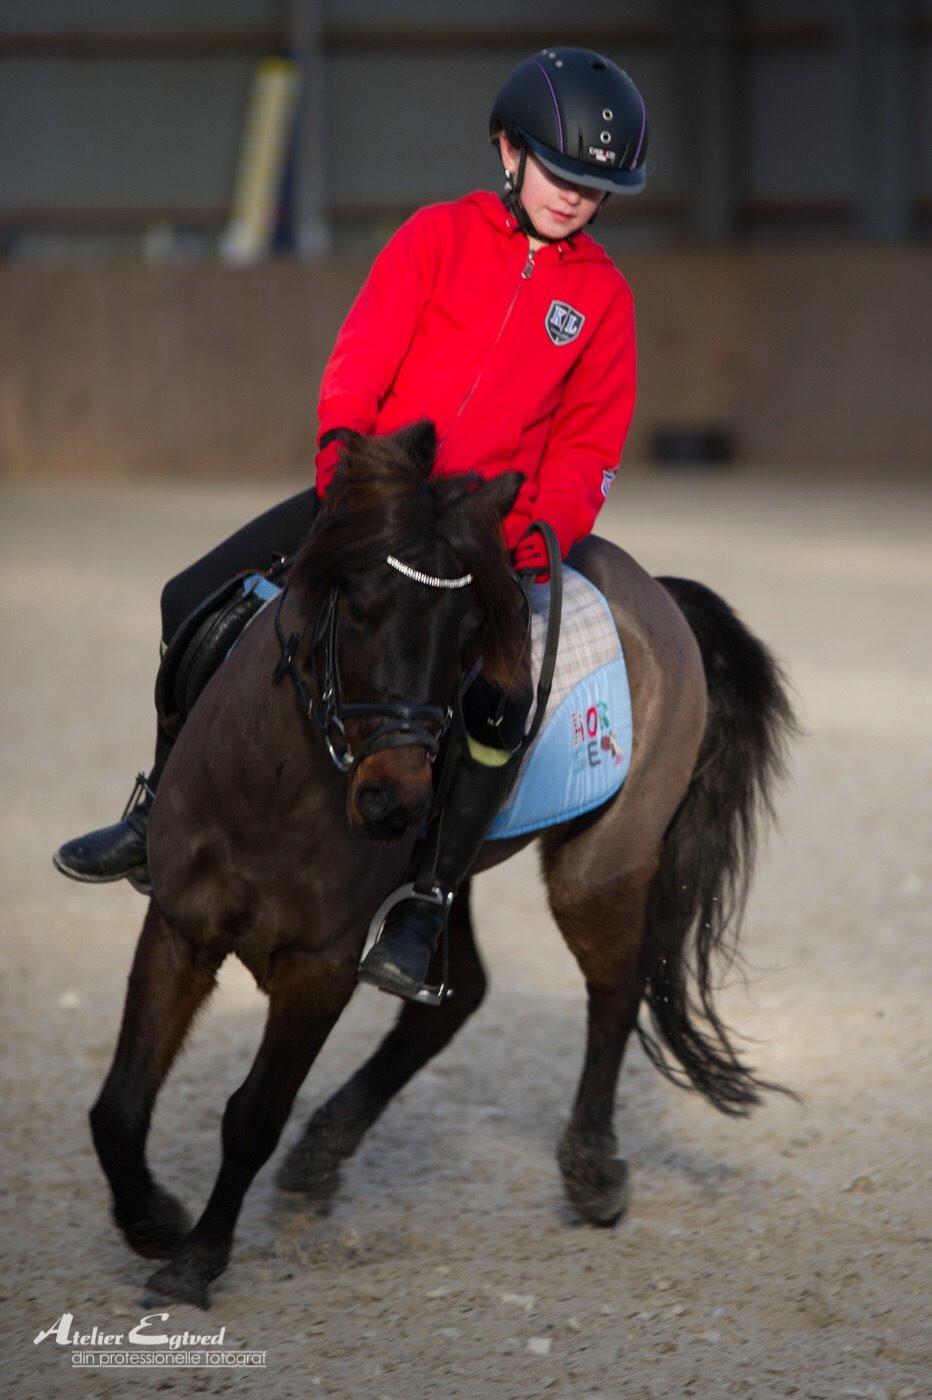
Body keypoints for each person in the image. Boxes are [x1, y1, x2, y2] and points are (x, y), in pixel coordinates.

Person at [54, 46, 648, 1003]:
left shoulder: (604, 300)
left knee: (500, 700)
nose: (575, 196)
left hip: (480, 535)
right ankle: (156, 807)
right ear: (509, 150)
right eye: (559, 171)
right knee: (187, 597)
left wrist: (527, 537)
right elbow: (361, 357)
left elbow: (589, 447)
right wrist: (344, 468)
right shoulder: (435, 237)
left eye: (595, 185)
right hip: (374, 498)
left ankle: (428, 899)